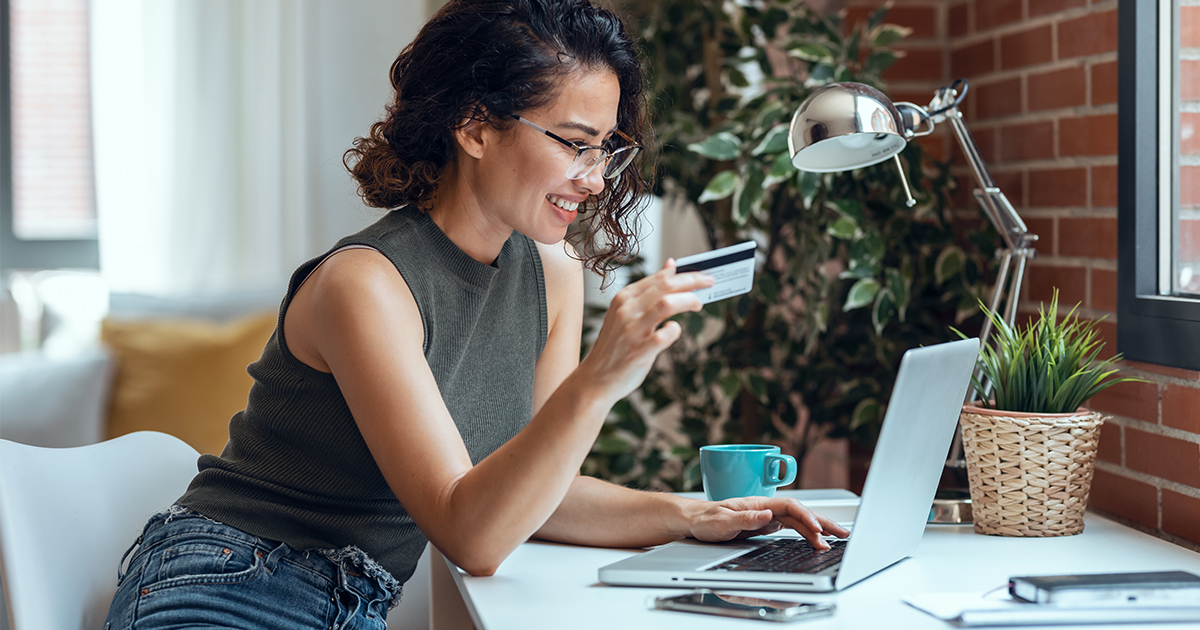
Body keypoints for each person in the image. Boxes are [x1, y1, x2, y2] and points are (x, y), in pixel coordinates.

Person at [104, 0, 848, 627]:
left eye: (605, 151)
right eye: (574, 145)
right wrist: (600, 378)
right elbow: (475, 536)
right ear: (476, 128)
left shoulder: (547, 280)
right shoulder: (365, 285)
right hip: (227, 585)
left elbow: (529, 496)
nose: (593, 180)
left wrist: (693, 514)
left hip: (348, 603)